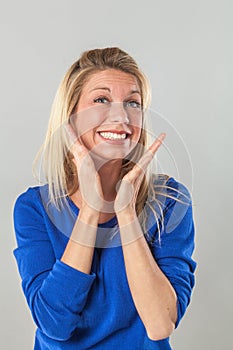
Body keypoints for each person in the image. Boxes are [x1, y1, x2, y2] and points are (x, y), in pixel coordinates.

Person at [13, 47, 196, 350]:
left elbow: (160, 323)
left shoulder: (170, 201)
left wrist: (125, 212)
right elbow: (54, 324)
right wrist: (91, 209)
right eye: (101, 100)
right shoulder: (35, 208)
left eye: (133, 103)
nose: (121, 116)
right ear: (70, 116)